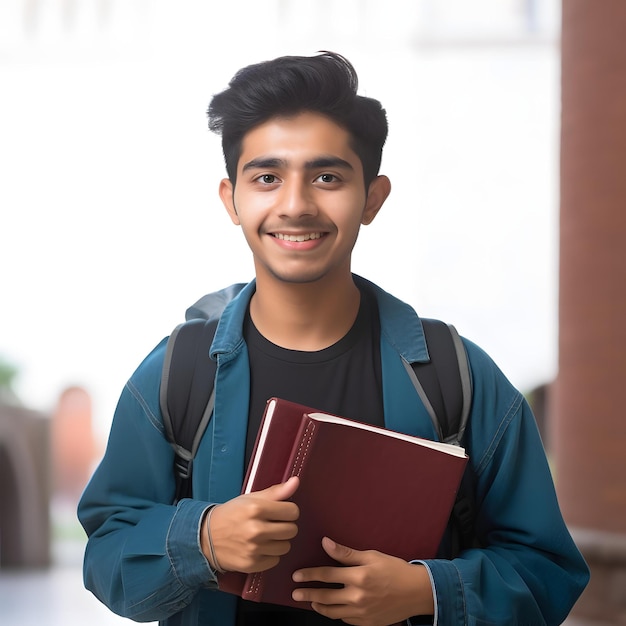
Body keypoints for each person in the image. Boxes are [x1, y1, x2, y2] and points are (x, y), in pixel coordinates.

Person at [78, 52, 589, 626]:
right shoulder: (177, 373)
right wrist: (202, 539)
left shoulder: (456, 377)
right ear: (232, 199)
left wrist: (428, 591)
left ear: (372, 197)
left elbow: (548, 568)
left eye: (327, 177)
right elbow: (106, 556)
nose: (295, 205)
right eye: (267, 177)